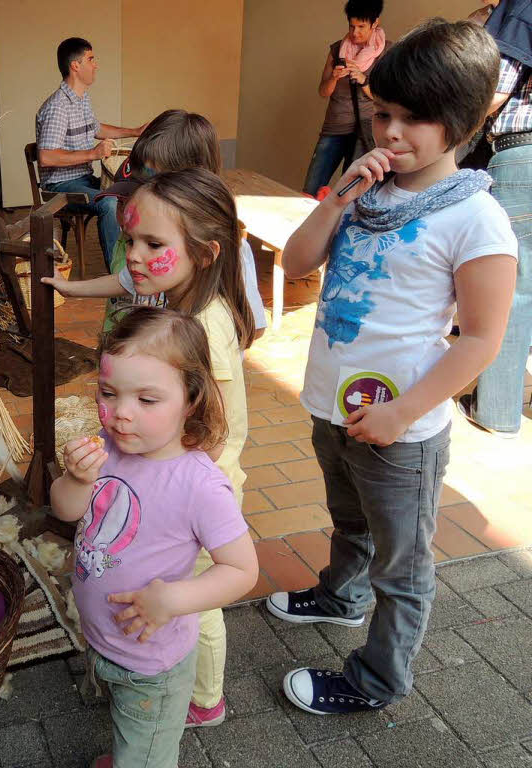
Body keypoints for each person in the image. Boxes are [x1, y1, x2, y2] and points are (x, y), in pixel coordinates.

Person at [269, 19, 518, 715]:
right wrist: (343, 193)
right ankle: (340, 594)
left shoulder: (477, 218)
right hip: (334, 403)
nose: (392, 133)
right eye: (384, 113)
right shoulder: (370, 187)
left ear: (463, 122)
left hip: (399, 430)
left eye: (416, 120)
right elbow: (294, 262)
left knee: (403, 566)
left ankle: (377, 681)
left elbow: (480, 340)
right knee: (348, 519)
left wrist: (401, 413)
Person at [45, 169, 255, 729]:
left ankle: (202, 698)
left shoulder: (204, 326)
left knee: (197, 604)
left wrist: (181, 480)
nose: (134, 255)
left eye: (152, 244)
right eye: (132, 240)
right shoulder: (174, 297)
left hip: (198, 489)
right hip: (164, 479)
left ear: (205, 253)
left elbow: (225, 426)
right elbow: (121, 281)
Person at [50, 306, 257, 768]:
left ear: (191, 399)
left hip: (153, 666)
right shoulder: (107, 445)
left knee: (147, 755)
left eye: (147, 400)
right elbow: (64, 510)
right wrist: (76, 480)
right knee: (132, 734)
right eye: (109, 393)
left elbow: (243, 570)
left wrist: (174, 599)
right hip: (105, 639)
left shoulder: (199, 485)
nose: (121, 414)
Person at [98, 109, 267, 343]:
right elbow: (124, 281)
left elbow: (253, 328)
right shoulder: (150, 237)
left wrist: (210, 343)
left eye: (156, 184)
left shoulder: (228, 251)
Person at [457, 0, 532, 437]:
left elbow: (496, 91)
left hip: (524, 155)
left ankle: (498, 410)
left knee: (513, 289)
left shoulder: (521, 6)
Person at [35, 37, 145, 267]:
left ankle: (136, 262)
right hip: (60, 187)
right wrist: (93, 154)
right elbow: (46, 157)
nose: (96, 65)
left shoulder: (81, 99)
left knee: (132, 190)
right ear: (75, 66)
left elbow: (97, 128)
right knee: (108, 203)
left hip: (82, 180)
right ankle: (118, 274)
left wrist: (134, 131)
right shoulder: (58, 107)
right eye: (91, 59)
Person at [303, 0, 390, 197]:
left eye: (361, 27)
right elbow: (323, 92)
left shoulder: (386, 52)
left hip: (366, 129)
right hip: (335, 126)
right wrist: (334, 77)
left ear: (375, 23)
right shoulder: (337, 50)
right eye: (352, 26)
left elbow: (386, 98)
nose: (355, 33)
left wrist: (363, 80)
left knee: (350, 194)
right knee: (311, 189)